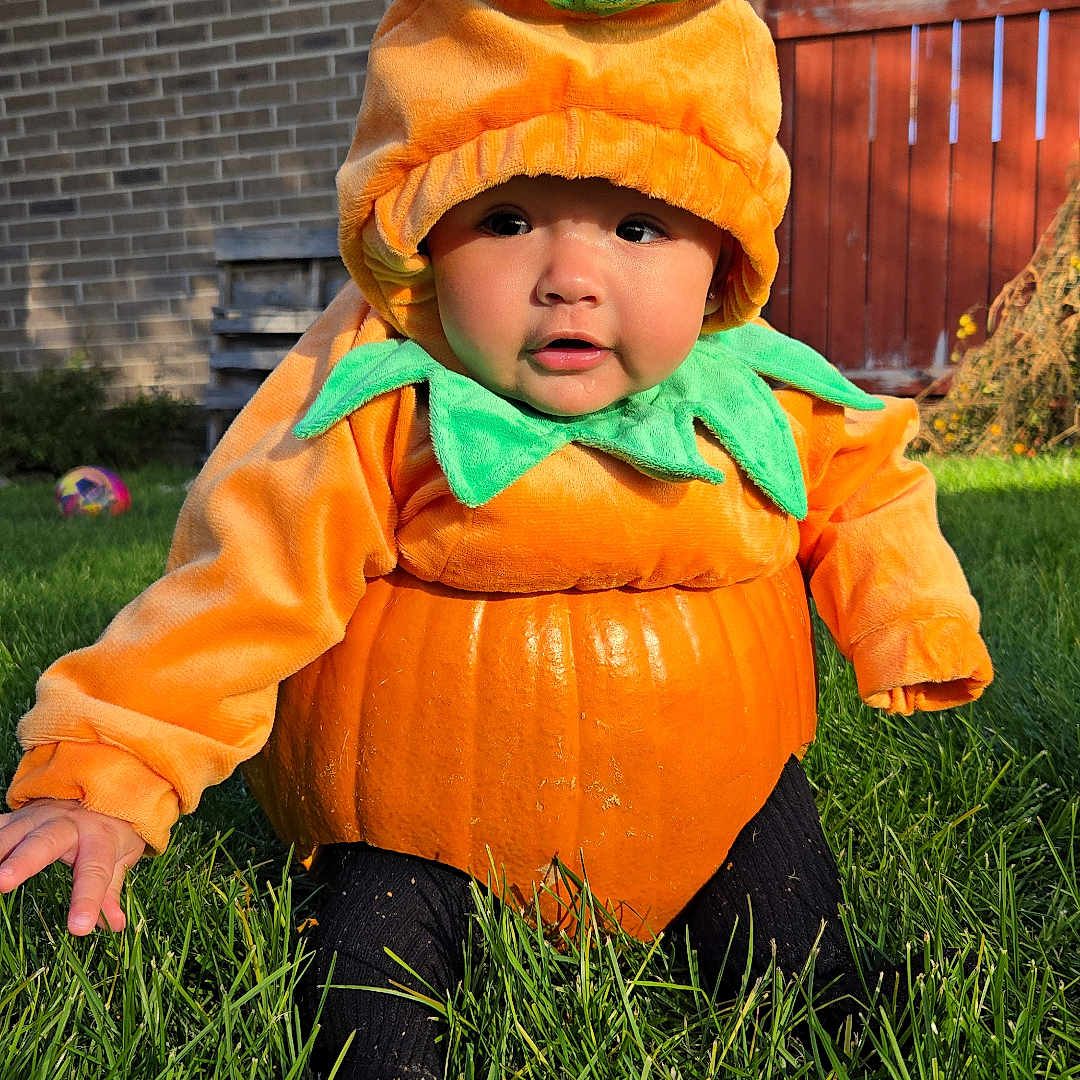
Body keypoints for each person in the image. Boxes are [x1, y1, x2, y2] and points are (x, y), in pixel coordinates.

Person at [0, 1, 993, 1076]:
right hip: (424, 807)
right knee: (377, 952)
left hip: (720, 781)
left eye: (639, 226)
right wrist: (104, 766)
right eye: (510, 221)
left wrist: (911, 613)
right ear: (417, 242)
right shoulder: (382, 399)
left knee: (781, 901)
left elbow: (867, 485)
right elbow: (243, 580)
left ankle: (819, 992)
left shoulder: (758, 386)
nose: (570, 275)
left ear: (721, 255)